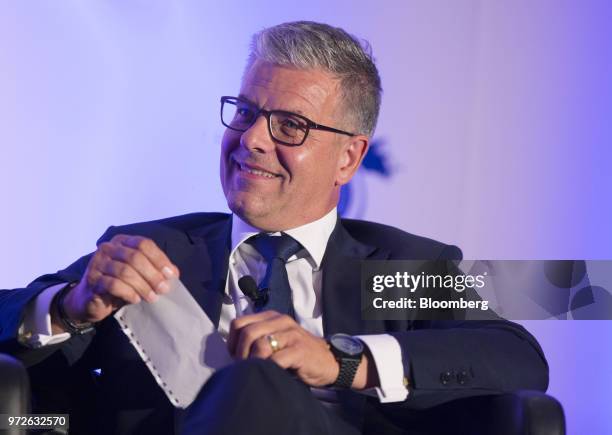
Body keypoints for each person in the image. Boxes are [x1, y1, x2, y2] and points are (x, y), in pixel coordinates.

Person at [0, 21, 548, 435]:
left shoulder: (390, 268)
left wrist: (342, 361)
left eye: (291, 125)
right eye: (245, 111)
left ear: (348, 159)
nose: (252, 139)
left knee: (255, 382)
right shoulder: (154, 251)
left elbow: (516, 356)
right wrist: (70, 305)